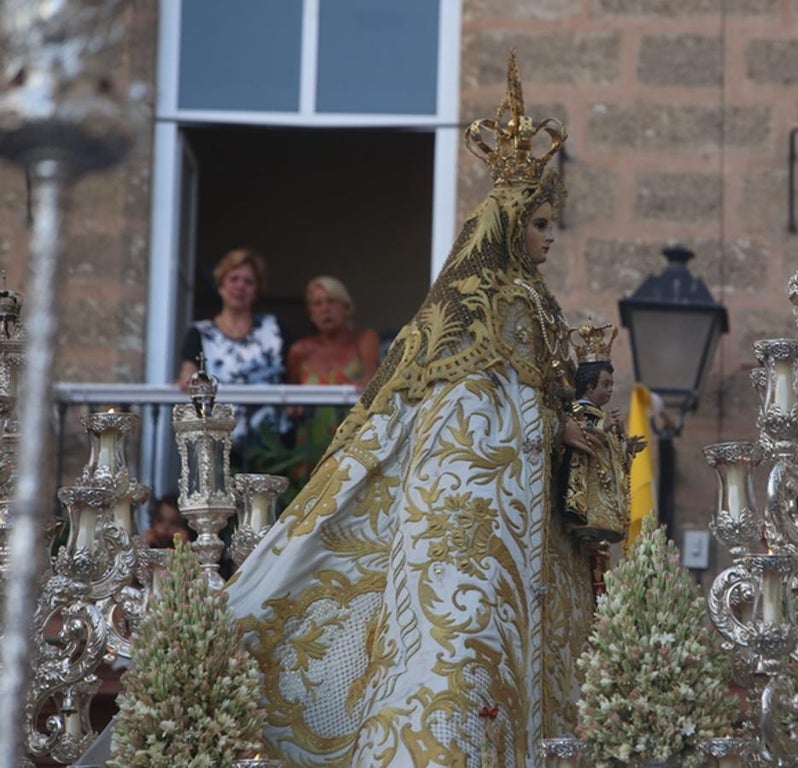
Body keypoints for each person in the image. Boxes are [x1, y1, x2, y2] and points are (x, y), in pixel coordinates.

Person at [227, 55, 598, 766]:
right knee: (456, 646)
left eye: (553, 224)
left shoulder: (531, 304)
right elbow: (471, 413)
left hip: (518, 517)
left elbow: (528, 399)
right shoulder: (483, 302)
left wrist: (571, 421)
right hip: (470, 514)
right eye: (542, 223)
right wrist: (560, 426)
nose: (551, 238)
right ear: (511, 224)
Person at [177, 248, 291, 466]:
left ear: (256, 290)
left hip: (273, 445)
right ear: (221, 285)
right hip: (218, 442)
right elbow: (189, 374)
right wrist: (189, 379)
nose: (240, 286)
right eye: (234, 279)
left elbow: (295, 375)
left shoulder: (275, 329)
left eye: (248, 281)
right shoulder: (200, 333)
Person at [561, 322, 645, 543]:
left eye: (611, 385)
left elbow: (611, 450)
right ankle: (586, 522)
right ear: (589, 386)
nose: (610, 390)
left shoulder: (601, 413)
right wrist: (603, 426)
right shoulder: (578, 410)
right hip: (587, 481)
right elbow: (580, 434)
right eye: (605, 384)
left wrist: (627, 447)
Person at [286, 276, 381, 473]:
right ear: (311, 313)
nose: (325, 308)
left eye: (331, 301)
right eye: (317, 303)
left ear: (346, 307)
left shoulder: (364, 341)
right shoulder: (301, 350)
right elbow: (291, 397)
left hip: (353, 446)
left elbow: (371, 380)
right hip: (311, 448)